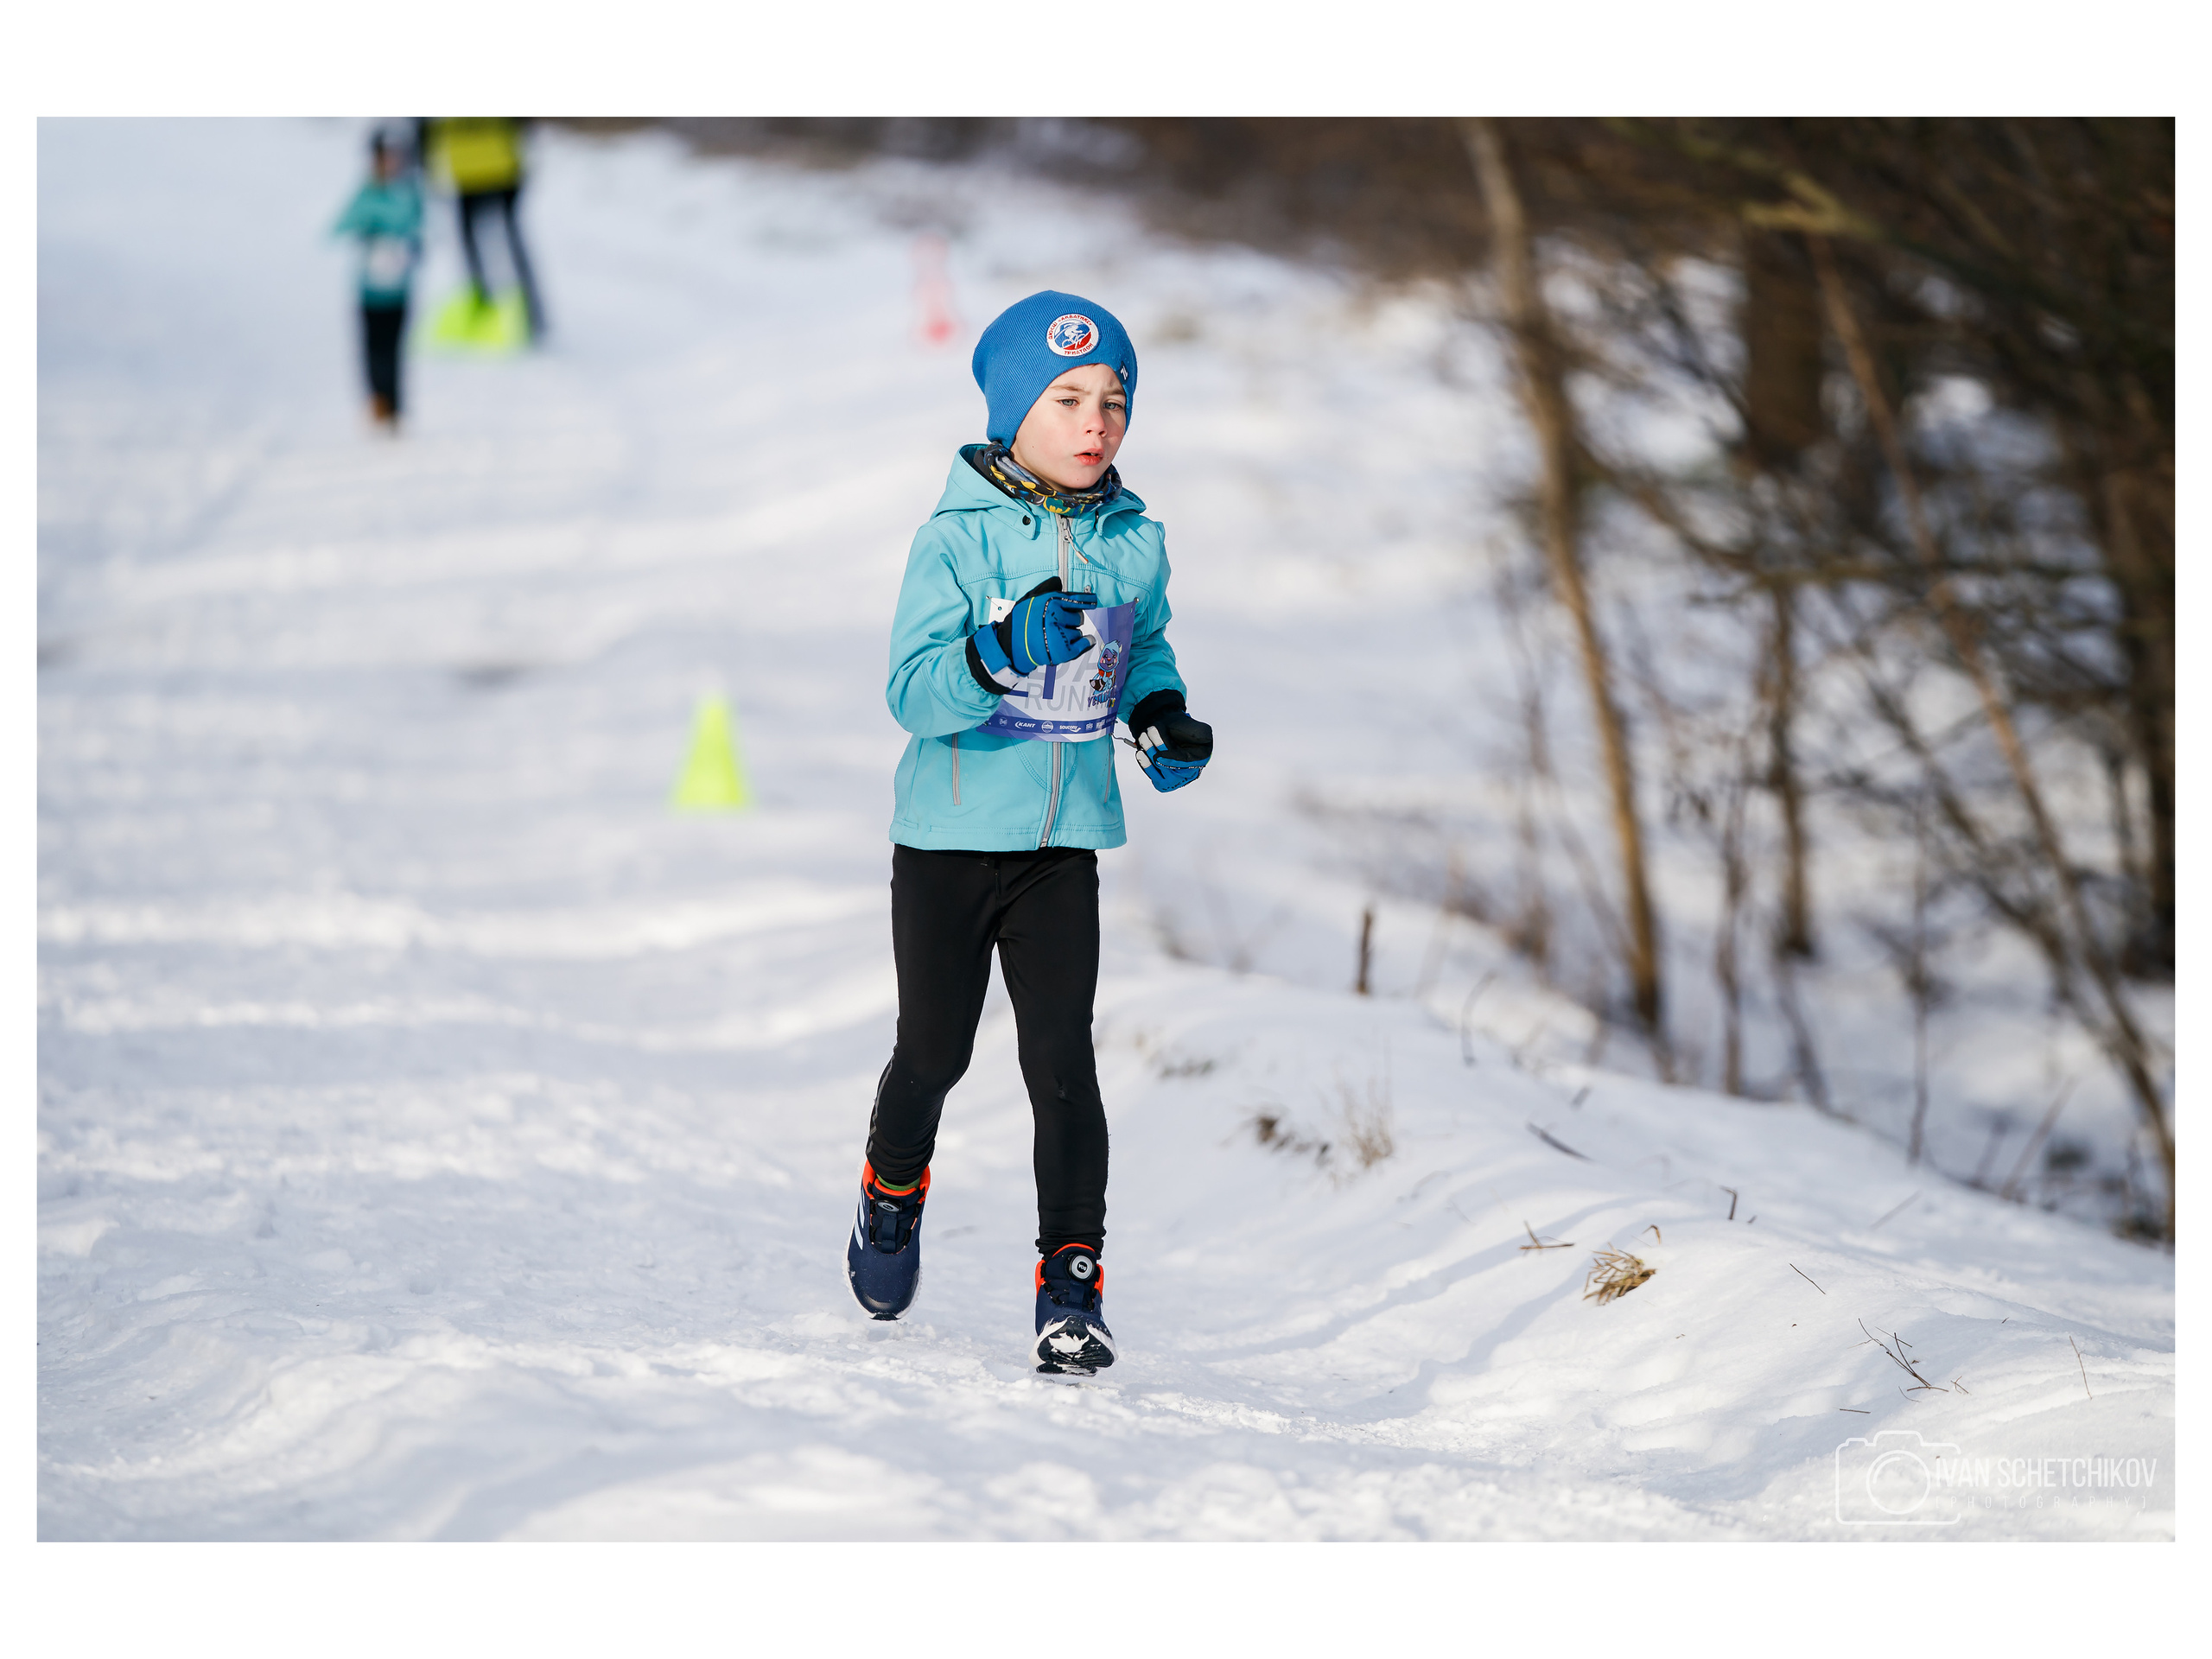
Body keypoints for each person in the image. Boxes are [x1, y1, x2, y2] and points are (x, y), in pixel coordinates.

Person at [848, 291, 1216, 1376]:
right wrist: (999, 649)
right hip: (950, 839)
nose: (1095, 422)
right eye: (1067, 401)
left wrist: (1161, 715)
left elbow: (1142, 651)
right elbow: (910, 694)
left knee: (1061, 1063)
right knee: (935, 1051)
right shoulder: (952, 543)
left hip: (1064, 845)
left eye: (1114, 402)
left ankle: (1073, 1285)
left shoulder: (1135, 543)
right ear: (1015, 412)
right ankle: (891, 1190)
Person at [421, 118, 545, 340]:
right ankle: (521, 313)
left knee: (481, 243)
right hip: (484, 164)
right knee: (499, 242)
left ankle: (515, 312)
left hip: (481, 164)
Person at [331, 129, 423, 429]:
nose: (389, 164)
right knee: (372, 349)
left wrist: (411, 246)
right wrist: (366, 231)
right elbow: (337, 229)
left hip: (399, 289)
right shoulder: (365, 195)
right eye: (383, 158)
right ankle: (377, 400)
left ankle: (396, 407)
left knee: (396, 349)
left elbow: (426, 229)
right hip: (369, 290)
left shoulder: (409, 194)